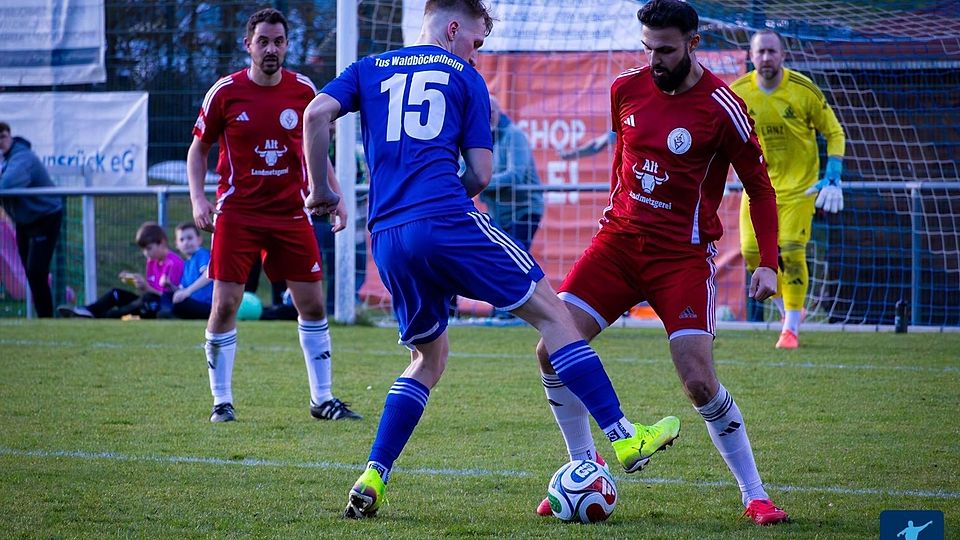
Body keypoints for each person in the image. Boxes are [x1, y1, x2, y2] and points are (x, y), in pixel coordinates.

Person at [303, 0, 680, 520]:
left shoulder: (367, 69)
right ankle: (623, 436)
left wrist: (323, 190)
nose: (477, 53)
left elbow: (316, 114)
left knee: (427, 360)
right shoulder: (464, 75)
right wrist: (442, 207)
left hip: (386, 234)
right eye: (477, 42)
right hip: (446, 219)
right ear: (454, 28)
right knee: (555, 314)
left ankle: (374, 473)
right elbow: (480, 175)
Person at [532, 0, 789, 525]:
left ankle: (755, 496)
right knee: (550, 349)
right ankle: (584, 466)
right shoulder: (624, 89)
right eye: (647, 48)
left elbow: (760, 189)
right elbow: (622, 162)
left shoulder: (723, 107)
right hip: (618, 247)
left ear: (693, 44)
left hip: (682, 260)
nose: (654, 59)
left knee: (697, 381)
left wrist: (768, 262)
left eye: (666, 49)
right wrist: (612, 219)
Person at [187, 7, 360, 423]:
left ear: (287, 45)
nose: (271, 48)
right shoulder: (225, 92)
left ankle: (322, 399)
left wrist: (332, 193)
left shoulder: (303, 92)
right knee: (225, 305)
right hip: (238, 214)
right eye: (263, 41)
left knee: (314, 306)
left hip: (290, 213)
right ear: (248, 44)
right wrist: (198, 199)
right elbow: (198, 150)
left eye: (278, 41)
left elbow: (315, 149)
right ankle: (221, 402)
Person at [731, 30, 847, 349]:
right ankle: (788, 313)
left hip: (801, 188)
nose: (766, 58)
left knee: (793, 249)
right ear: (751, 57)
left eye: (772, 51)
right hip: (756, 188)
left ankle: (791, 329)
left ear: (783, 55)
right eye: (760, 52)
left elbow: (834, 132)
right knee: (752, 253)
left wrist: (833, 172)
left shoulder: (803, 89)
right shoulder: (738, 93)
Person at [0, 122, 64, 318]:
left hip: (44, 218)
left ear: (10, 135)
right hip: (24, 221)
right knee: (31, 272)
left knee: (37, 270)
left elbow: (6, 184)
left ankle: (46, 318)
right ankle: (43, 317)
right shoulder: (7, 160)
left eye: (2, 137)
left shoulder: (22, 158)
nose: (0, 142)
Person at [58, 222, 183, 319]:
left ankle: (106, 316)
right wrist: (135, 282)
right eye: (144, 249)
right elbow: (149, 289)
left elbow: (171, 298)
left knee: (147, 299)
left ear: (162, 243)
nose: (146, 253)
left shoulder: (174, 263)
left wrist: (147, 288)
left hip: (160, 306)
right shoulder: (152, 261)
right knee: (116, 293)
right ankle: (88, 311)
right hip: (147, 301)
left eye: (149, 248)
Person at [479, 95, 543, 252]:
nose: (488, 115)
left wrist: (481, 181)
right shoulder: (479, 137)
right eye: (483, 111)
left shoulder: (514, 135)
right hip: (498, 213)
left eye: (491, 111)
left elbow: (514, 175)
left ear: (499, 112)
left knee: (515, 261)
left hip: (524, 210)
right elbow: (464, 169)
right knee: (497, 261)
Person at [170, 222, 213, 320]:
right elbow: (183, 288)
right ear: (177, 244)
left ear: (199, 240)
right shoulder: (186, 264)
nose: (186, 242)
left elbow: (208, 275)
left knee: (179, 306)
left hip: (207, 306)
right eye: (182, 239)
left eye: (190, 238)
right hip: (194, 303)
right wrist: (171, 287)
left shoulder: (201, 255)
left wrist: (187, 292)